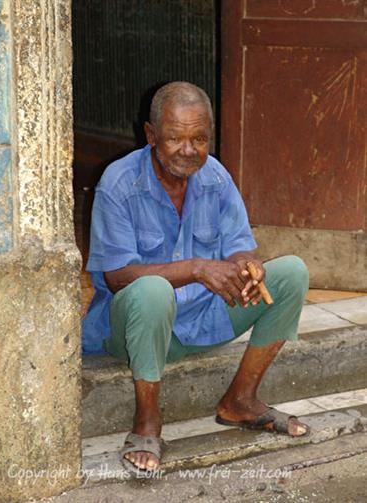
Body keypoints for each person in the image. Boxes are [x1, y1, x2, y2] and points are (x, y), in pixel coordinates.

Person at [82, 81, 310, 475]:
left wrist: (245, 266)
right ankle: (147, 421)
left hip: (203, 320)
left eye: (199, 139)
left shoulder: (215, 177)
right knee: (152, 290)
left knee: (291, 273)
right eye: (174, 138)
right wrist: (197, 268)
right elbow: (117, 277)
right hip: (137, 331)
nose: (189, 150)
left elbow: (239, 244)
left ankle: (240, 401)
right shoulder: (118, 183)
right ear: (151, 136)